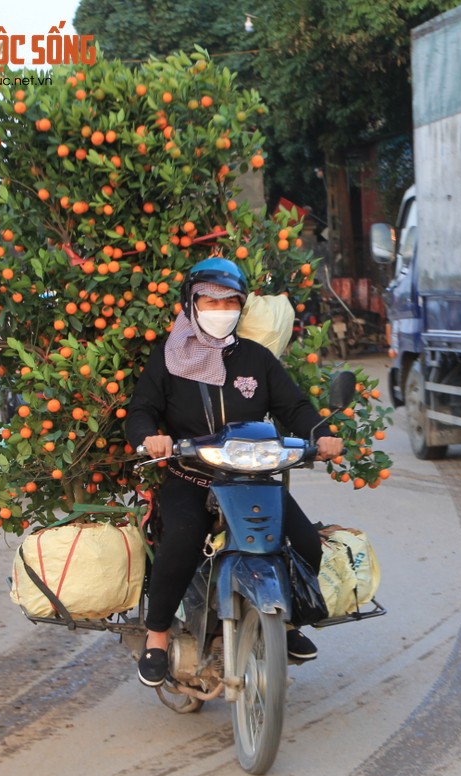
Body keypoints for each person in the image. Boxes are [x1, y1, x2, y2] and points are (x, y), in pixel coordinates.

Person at [124, 257, 343, 687]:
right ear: (191, 303)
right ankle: (158, 635)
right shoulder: (167, 360)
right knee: (181, 539)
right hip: (191, 475)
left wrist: (323, 434)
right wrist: (150, 437)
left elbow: (294, 407)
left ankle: (284, 622)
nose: (219, 308)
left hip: (252, 478)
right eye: (209, 300)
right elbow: (141, 411)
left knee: (303, 543)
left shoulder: (256, 360)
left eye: (229, 301)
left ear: (241, 307)